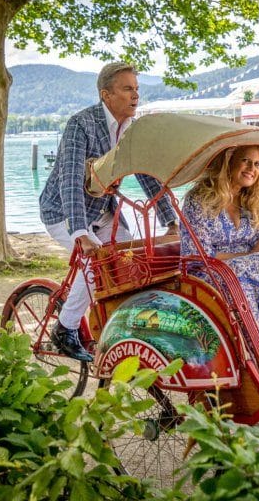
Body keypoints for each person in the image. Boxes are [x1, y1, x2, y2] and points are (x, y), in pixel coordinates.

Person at [39, 62, 178, 362]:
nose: (135, 95)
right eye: (127, 89)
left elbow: (148, 176)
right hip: (63, 211)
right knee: (97, 262)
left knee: (130, 260)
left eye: (137, 89)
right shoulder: (82, 124)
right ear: (106, 94)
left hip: (103, 212)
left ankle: (115, 321)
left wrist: (171, 221)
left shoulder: (132, 130)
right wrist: (80, 234)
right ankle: (65, 328)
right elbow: (70, 180)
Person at [180, 145, 259, 395]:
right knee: (252, 267)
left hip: (250, 273)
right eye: (246, 161)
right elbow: (201, 256)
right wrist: (251, 255)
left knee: (256, 269)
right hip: (205, 274)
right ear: (229, 162)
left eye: (258, 164)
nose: (252, 169)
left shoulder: (252, 200)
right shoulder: (199, 200)